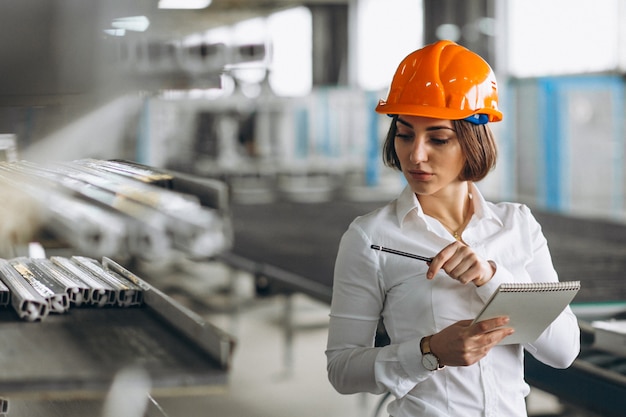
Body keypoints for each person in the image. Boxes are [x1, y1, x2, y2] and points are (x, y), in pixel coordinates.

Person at [325, 40, 580, 417]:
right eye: (404, 133)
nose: (415, 155)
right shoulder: (371, 238)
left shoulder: (517, 225)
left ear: (473, 140)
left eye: (438, 139)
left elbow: (563, 351)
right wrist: (429, 352)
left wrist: (492, 277)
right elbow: (342, 370)